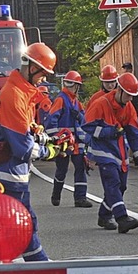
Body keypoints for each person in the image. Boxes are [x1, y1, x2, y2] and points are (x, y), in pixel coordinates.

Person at [0, 42, 59, 262]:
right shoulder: (14, 95)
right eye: (43, 73)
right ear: (32, 67)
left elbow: (23, 131)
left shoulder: (21, 93)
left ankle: (10, 263)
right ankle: (40, 265)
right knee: (23, 221)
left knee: (15, 222)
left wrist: (43, 136)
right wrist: (49, 152)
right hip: (8, 174)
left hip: (9, 173)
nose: (44, 79)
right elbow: (22, 147)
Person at [82, 73, 138, 233]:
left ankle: (104, 215)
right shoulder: (101, 103)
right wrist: (109, 132)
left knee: (122, 186)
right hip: (102, 151)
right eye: (128, 95)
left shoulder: (128, 108)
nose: (129, 99)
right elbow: (87, 126)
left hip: (119, 150)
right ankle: (122, 218)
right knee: (112, 183)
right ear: (119, 90)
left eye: (132, 96)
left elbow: (135, 134)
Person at [45, 70, 92, 208]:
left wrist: (79, 116)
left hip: (77, 141)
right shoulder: (61, 99)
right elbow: (51, 122)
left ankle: (80, 198)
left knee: (80, 167)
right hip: (64, 142)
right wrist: (56, 139)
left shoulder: (76, 103)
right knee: (62, 169)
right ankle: (56, 193)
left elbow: (85, 120)